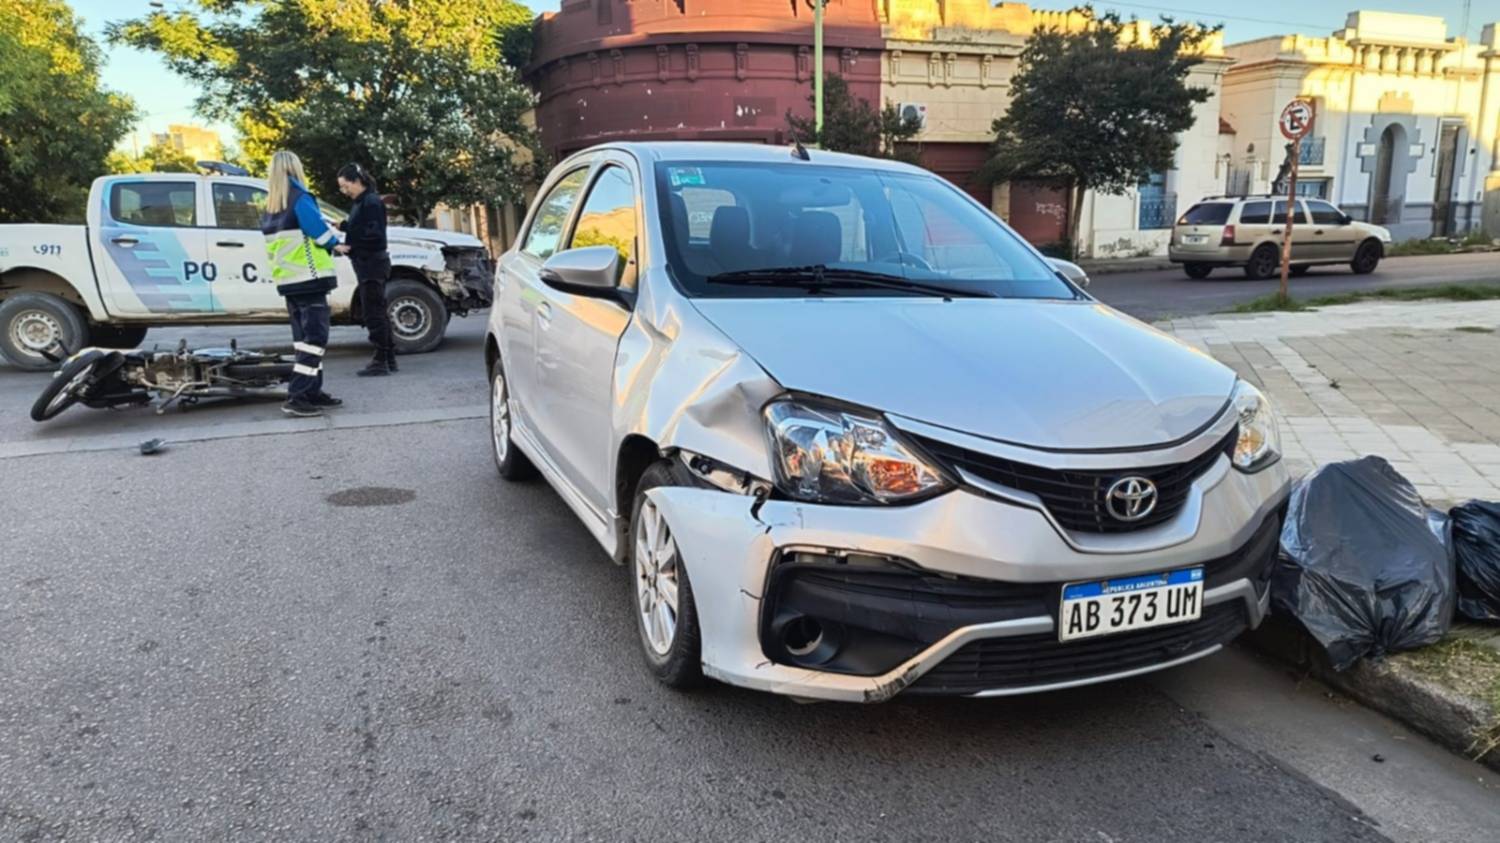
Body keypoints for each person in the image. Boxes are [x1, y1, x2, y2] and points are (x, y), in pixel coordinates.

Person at [262, 150, 342, 417]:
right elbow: (319, 232)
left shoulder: (272, 205)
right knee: (316, 338)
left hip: (289, 281)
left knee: (303, 340)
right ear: (295, 169)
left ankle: (311, 391)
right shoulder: (300, 198)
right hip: (310, 279)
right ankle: (297, 396)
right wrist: (338, 244)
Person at [334, 163, 395, 376]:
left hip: (371, 264)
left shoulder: (370, 202)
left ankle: (381, 358)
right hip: (368, 263)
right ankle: (388, 357)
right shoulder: (364, 202)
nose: (344, 191)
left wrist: (352, 245)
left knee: (373, 313)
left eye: (345, 186)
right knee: (378, 310)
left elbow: (374, 235)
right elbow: (362, 227)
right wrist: (343, 226)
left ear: (357, 181)